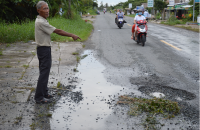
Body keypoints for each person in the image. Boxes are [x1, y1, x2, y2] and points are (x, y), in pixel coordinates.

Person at [34, 1, 81, 104]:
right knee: (44, 73)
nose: (47, 10)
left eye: (47, 8)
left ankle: (45, 93)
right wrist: (72, 35)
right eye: (44, 9)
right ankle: (39, 97)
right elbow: (57, 31)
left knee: (45, 72)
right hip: (43, 49)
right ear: (39, 10)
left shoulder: (42, 20)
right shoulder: (41, 22)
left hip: (44, 49)